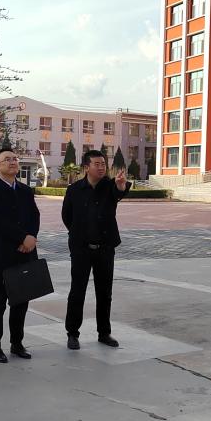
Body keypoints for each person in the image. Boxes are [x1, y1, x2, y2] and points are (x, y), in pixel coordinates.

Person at [62, 149, 131, 350]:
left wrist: (121, 186)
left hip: (105, 248)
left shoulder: (110, 186)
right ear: (86, 167)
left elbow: (120, 192)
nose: (101, 168)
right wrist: (79, 234)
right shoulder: (74, 190)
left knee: (104, 292)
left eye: (103, 164)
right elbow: (67, 217)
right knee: (77, 292)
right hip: (81, 249)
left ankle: (104, 333)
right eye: (97, 164)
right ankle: (72, 333)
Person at [0, 147, 41, 363]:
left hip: (25, 254)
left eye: (15, 158)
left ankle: (17, 343)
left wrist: (31, 237)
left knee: (21, 303)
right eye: (7, 159)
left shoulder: (25, 190)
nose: (13, 162)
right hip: (3, 255)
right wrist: (22, 238)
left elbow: (34, 216)